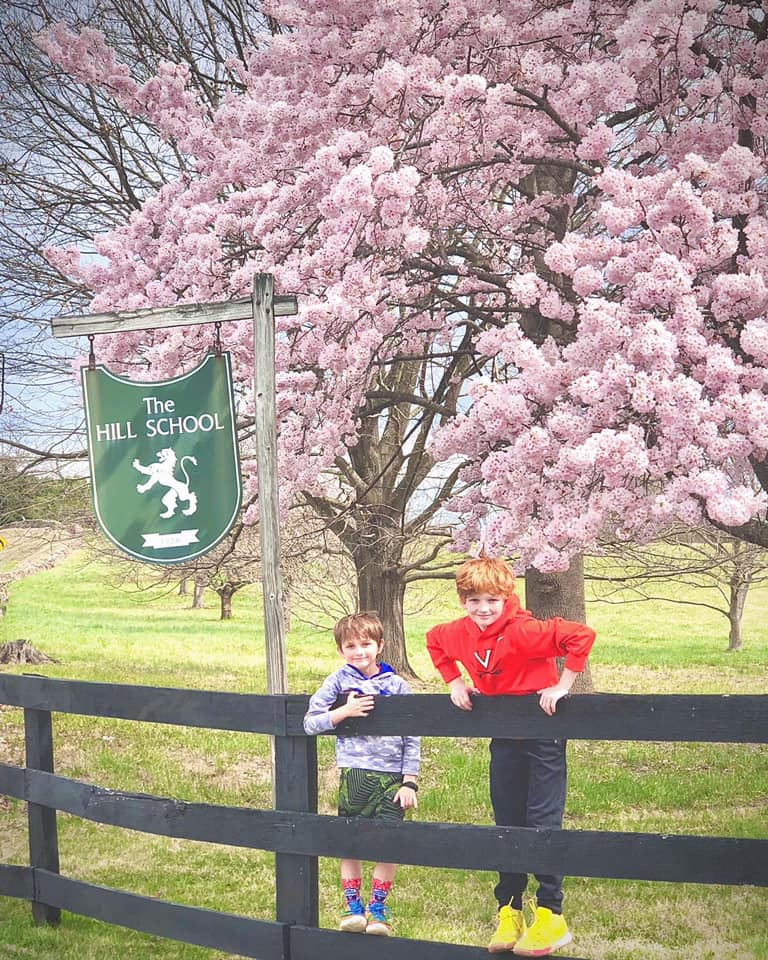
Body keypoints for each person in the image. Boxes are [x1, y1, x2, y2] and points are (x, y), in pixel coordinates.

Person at [426, 556, 596, 957]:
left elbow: (581, 636)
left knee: (541, 821)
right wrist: (454, 681)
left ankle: (552, 916)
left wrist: (563, 686)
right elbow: (435, 641)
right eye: (473, 600)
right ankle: (509, 909)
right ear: (463, 601)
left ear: (507, 598)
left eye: (492, 600)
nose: (483, 609)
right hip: (503, 736)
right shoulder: (459, 633)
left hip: (543, 738)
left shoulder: (525, 631)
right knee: (506, 822)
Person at [303, 610, 420, 937]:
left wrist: (410, 780)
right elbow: (310, 723)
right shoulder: (337, 681)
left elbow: (413, 735)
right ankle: (352, 907)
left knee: (388, 843)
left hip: (392, 780)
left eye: (365, 644)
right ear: (340, 650)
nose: (359, 651)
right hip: (354, 775)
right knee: (350, 842)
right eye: (350, 645)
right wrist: (344, 712)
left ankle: (378, 909)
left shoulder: (397, 685)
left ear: (380, 645)